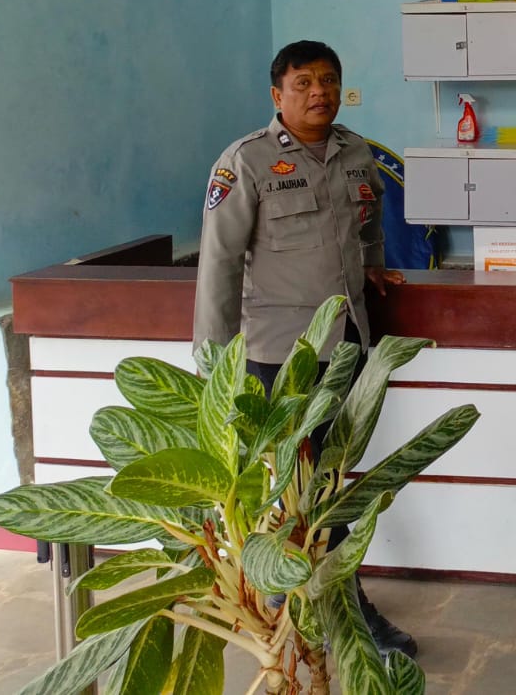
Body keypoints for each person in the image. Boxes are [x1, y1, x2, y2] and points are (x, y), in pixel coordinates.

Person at [193, 40, 416, 658]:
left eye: (329, 80)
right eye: (304, 83)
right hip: (280, 358)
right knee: (303, 490)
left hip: (347, 344)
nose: (320, 92)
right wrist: (215, 364)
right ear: (278, 94)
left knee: (330, 483)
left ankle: (293, 599)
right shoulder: (245, 161)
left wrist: (373, 266)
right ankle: (340, 611)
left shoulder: (356, 152)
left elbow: (368, 224)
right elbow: (218, 263)